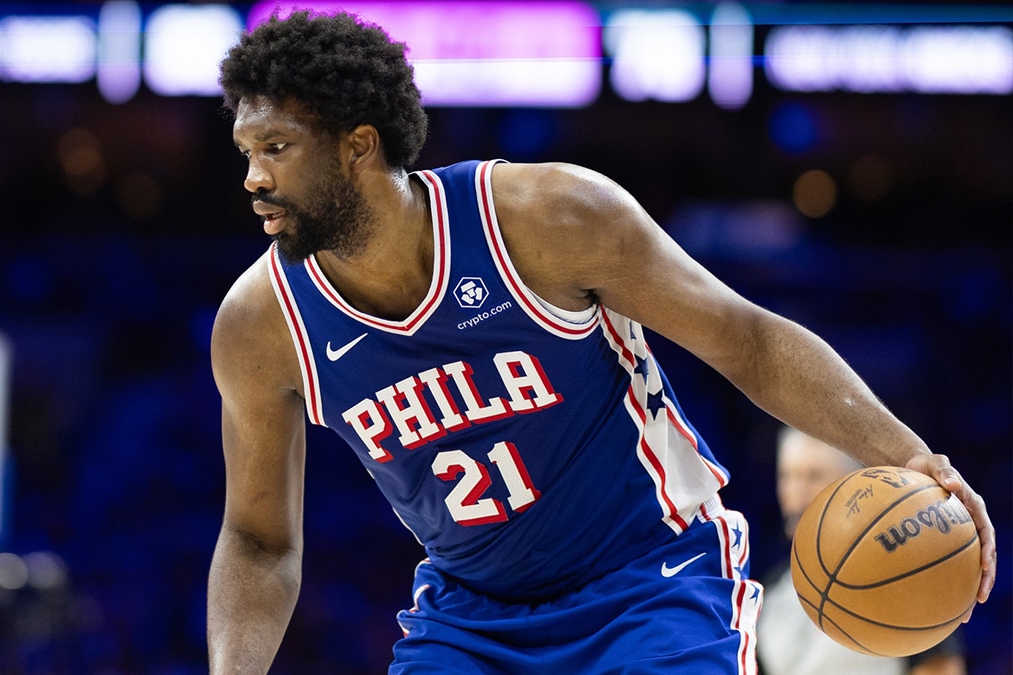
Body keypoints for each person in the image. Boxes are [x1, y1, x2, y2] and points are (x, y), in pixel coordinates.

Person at [205, 11, 996, 674]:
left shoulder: (546, 218)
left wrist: (911, 454)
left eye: (276, 148)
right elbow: (257, 536)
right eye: (247, 153)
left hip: (649, 580)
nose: (252, 178)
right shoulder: (259, 324)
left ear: (358, 144)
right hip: (471, 618)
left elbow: (748, 340)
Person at [756, 427, 968, 675]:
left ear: (852, 486)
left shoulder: (905, 577)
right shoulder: (768, 594)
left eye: (814, 476)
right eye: (787, 476)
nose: (796, 490)